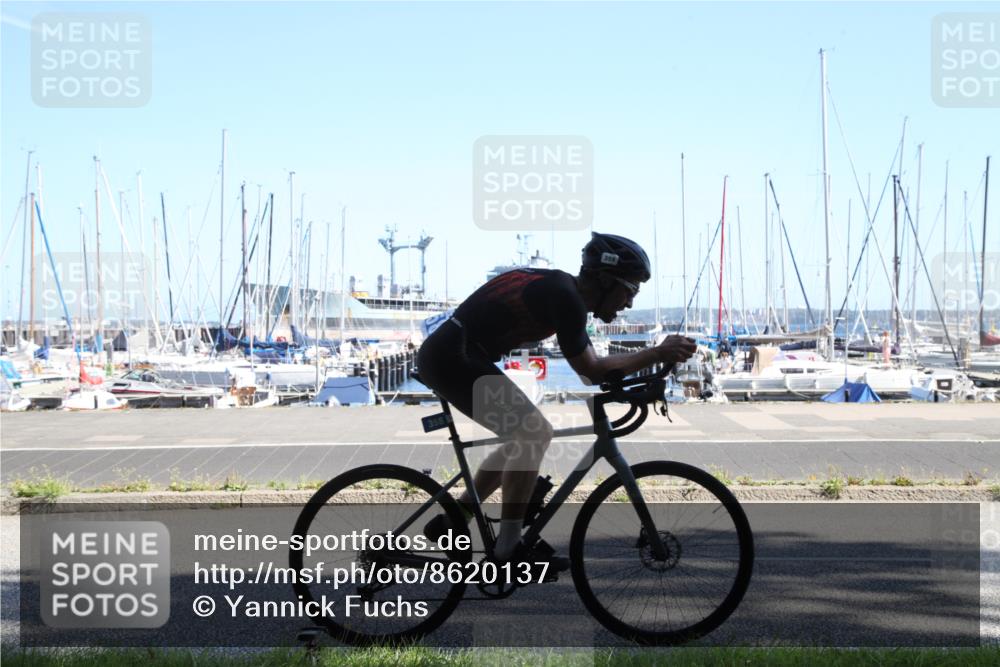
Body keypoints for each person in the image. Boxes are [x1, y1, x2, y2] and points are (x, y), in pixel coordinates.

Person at [416, 232, 697, 567]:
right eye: (630, 289)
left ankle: (456, 516)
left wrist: (640, 374)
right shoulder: (566, 299)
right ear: (606, 281)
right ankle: (508, 550)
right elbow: (591, 370)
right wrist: (657, 353)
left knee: (526, 435)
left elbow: (593, 370)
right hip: (452, 357)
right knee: (533, 433)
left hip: (459, 353)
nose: (630, 302)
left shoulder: (564, 290)